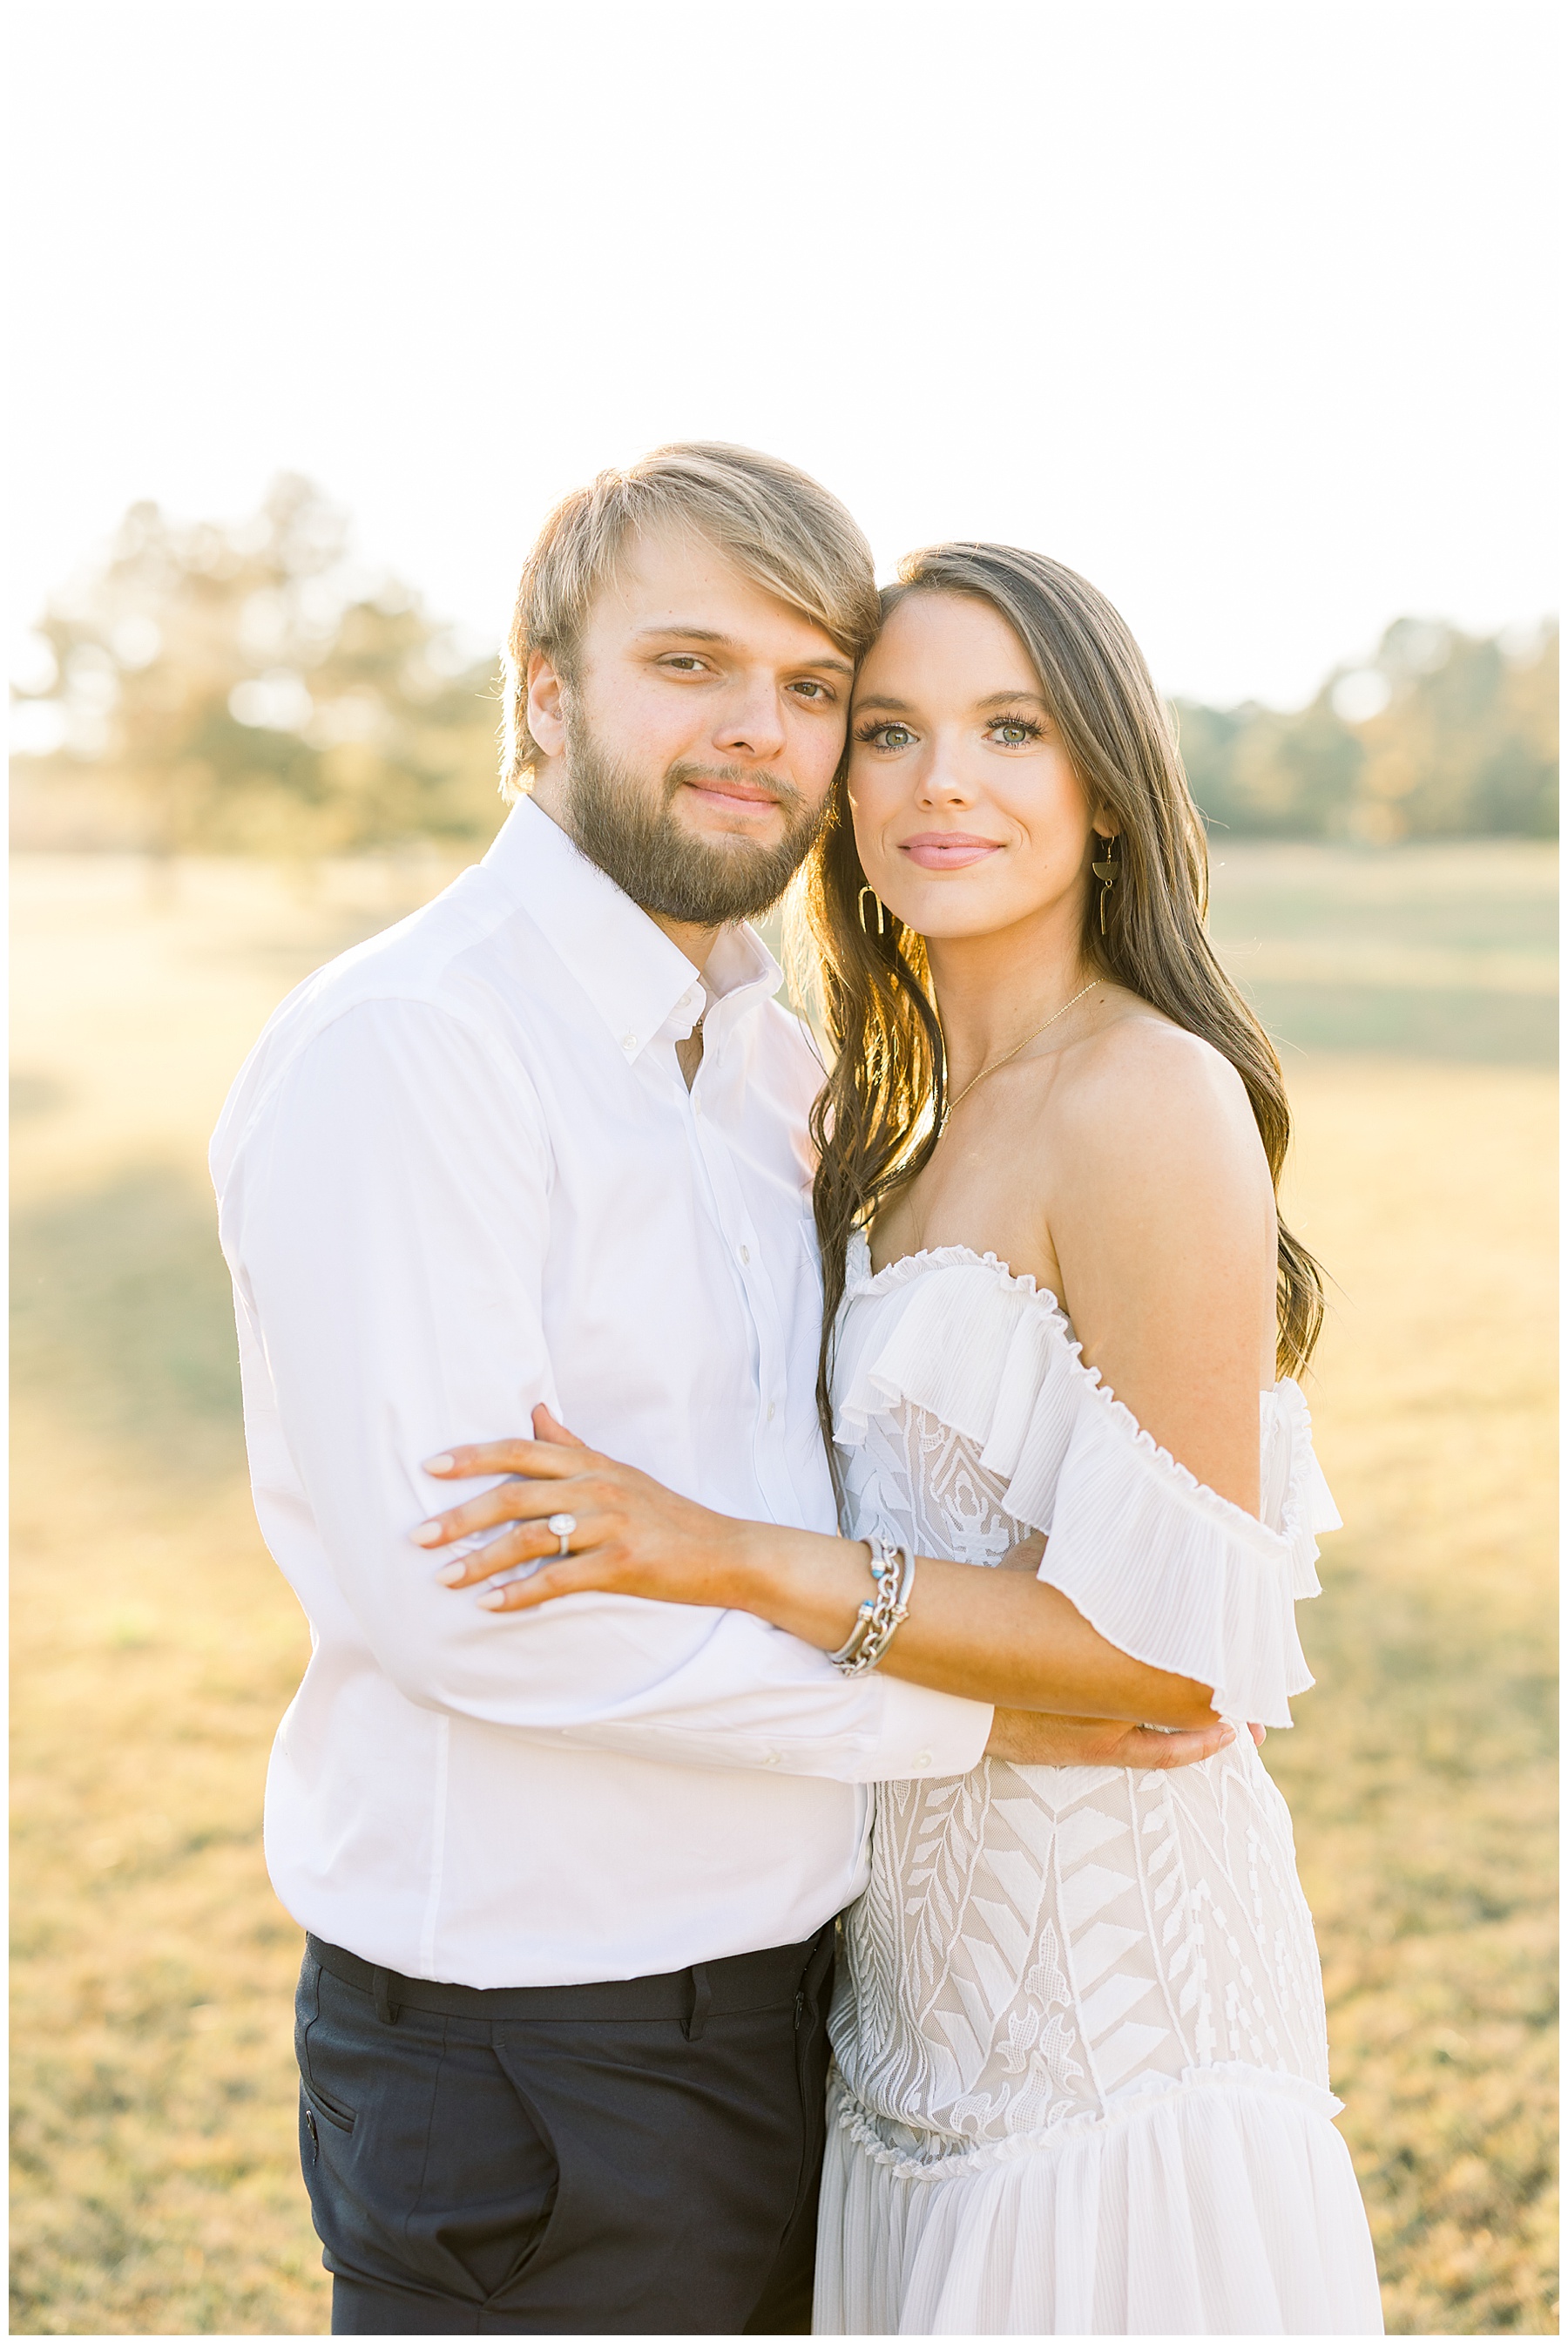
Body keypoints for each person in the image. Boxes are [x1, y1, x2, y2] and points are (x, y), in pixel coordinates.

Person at [211, 451, 1231, 2337]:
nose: (760, 729)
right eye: (690, 663)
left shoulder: (778, 1075)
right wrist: (970, 1721)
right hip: (536, 2048)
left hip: (813, 2010)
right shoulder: (416, 1045)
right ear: (544, 692)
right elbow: (470, 1607)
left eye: (812, 684)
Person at [419, 542, 1386, 2334]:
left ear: (1106, 789)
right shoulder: (884, 1118)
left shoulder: (1147, 1095)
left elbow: (1179, 1664)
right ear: (842, 790)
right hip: (903, 2036)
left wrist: (726, 1556)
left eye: (1012, 729)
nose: (945, 779)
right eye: (888, 730)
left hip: (1113, 2045)